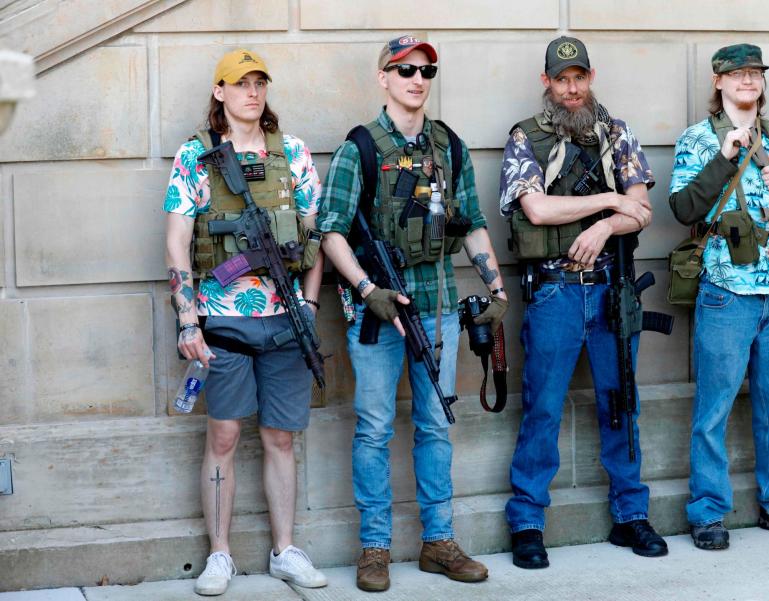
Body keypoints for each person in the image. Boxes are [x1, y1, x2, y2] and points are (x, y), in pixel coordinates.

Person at [318, 35, 508, 592]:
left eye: (426, 70)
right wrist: (366, 288)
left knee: (435, 427)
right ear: (384, 78)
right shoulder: (360, 148)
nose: (417, 79)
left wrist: (497, 289)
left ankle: (439, 542)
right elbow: (330, 230)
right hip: (378, 315)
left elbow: (471, 220)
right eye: (404, 70)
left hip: (440, 306)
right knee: (374, 430)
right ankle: (374, 547)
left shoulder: (449, 146)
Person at [164, 48, 328, 595]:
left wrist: (308, 305)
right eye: (240, 84)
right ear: (220, 92)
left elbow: (314, 237)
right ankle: (219, 555)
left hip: (286, 323)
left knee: (281, 438)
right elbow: (177, 242)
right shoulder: (196, 156)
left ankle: (286, 550)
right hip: (223, 320)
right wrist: (188, 320)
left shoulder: (294, 153)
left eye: (259, 83)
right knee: (225, 435)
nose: (252, 93)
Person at [499, 36, 666, 570]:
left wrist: (603, 226)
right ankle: (527, 521)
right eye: (561, 78)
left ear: (591, 77)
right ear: (546, 82)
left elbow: (642, 211)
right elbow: (537, 209)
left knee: (621, 403)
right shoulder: (526, 136)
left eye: (580, 77)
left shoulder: (615, 131)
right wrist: (609, 200)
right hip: (555, 291)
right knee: (543, 406)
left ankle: (630, 515)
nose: (572, 88)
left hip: (613, 287)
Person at [668, 43, 769, 551]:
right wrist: (724, 157)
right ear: (718, 82)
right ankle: (708, 512)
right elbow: (683, 207)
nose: (747, 81)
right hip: (726, 292)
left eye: (754, 72)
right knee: (712, 411)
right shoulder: (696, 139)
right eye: (736, 73)